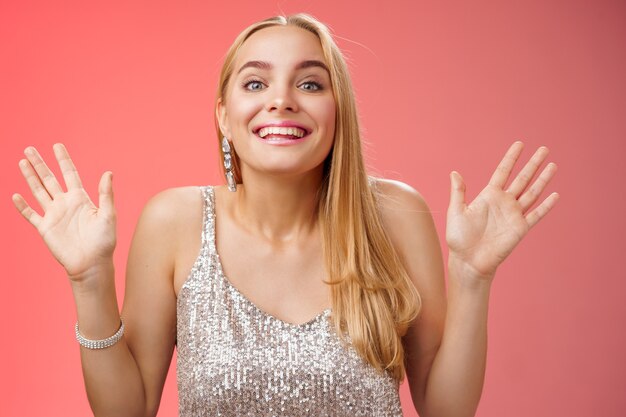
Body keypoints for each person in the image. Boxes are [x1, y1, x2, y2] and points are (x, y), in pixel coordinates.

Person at [11, 13, 559, 417]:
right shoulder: (174, 223)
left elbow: (446, 411)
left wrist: (472, 277)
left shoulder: (394, 216)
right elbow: (126, 413)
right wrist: (89, 282)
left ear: (336, 111)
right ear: (225, 117)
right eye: (255, 83)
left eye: (310, 83)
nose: (281, 100)